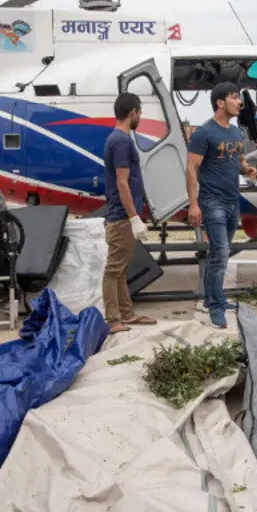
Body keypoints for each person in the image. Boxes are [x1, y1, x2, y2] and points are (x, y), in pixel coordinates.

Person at [187, 82, 257, 329]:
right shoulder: (203, 133)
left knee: (221, 253)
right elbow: (191, 169)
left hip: (232, 200)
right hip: (212, 201)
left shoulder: (236, 132)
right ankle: (216, 307)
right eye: (234, 97)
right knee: (219, 253)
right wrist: (193, 205)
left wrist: (247, 169)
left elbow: (238, 161)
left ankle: (212, 298)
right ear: (220, 103)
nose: (239, 102)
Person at [101, 93, 156, 334]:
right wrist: (134, 217)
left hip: (121, 215)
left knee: (121, 269)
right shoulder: (121, 141)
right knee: (113, 270)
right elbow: (122, 183)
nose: (141, 117)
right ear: (133, 112)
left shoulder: (116, 139)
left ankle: (126, 313)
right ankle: (113, 320)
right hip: (122, 217)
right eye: (140, 113)